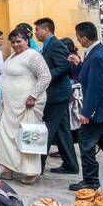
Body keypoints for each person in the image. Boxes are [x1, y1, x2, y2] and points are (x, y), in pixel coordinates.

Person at [0, 28, 52, 183]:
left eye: (19, 41)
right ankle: (7, 167)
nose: (16, 44)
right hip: (10, 106)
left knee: (28, 136)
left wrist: (33, 96)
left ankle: (30, 172)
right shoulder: (12, 56)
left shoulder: (33, 55)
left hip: (27, 106)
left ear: (27, 40)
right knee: (5, 136)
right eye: (13, 42)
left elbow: (45, 77)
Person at [69, 22, 103, 191]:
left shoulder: (97, 55)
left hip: (98, 108)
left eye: (79, 38)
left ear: (84, 37)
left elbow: (96, 86)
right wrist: (79, 63)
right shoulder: (96, 51)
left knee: (86, 143)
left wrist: (87, 112)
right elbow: (89, 74)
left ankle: (90, 180)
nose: (78, 41)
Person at [34, 18, 78, 175]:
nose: (35, 33)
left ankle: (37, 166)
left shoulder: (56, 45)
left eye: (38, 30)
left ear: (46, 30)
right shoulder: (47, 46)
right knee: (62, 130)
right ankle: (71, 164)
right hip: (56, 93)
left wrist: (45, 76)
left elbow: (64, 67)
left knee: (47, 129)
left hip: (57, 94)